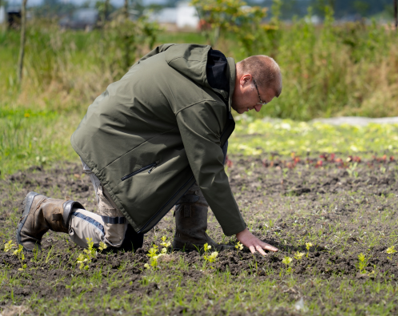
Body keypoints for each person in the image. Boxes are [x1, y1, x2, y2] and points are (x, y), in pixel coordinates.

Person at [16, 43, 282, 256]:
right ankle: (43, 210)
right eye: (260, 100)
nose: (258, 108)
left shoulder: (202, 68)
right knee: (118, 244)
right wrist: (241, 232)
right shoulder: (202, 99)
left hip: (126, 136)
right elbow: (208, 169)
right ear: (245, 79)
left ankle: (191, 237)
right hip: (109, 145)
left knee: (208, 145)